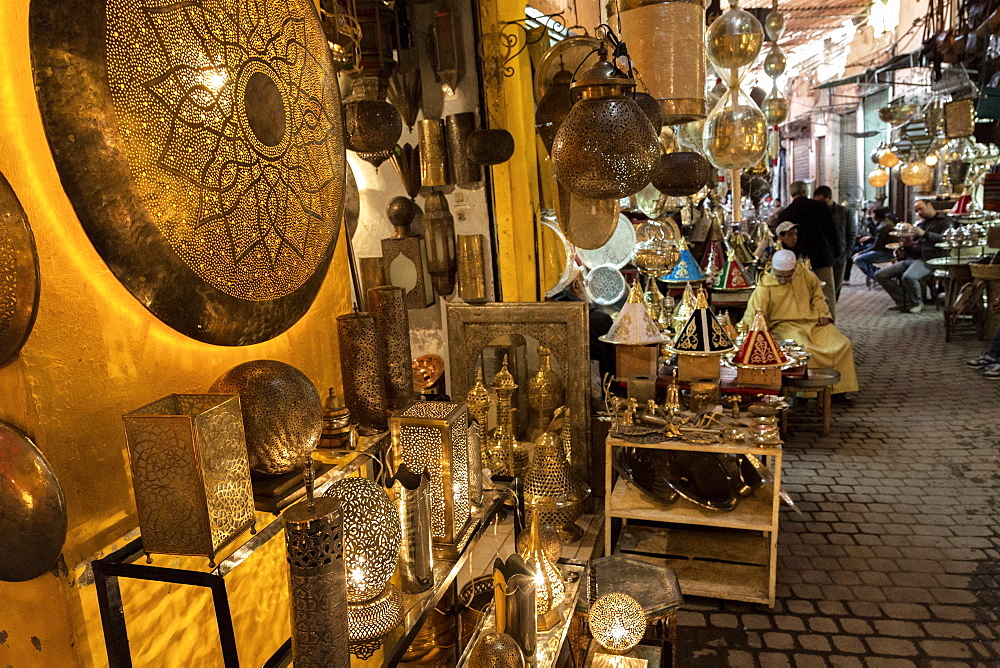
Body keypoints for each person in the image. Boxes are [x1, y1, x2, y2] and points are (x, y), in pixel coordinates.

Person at [740, 250, 859, 398]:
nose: (783, 280)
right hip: (785, 326)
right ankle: (809, 393)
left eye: (788, 276)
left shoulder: (804, 274)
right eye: (780, 277)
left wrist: (823, 314)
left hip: (814, 324)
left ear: (794, 269)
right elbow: (755, 313)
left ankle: (839, 390)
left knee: (843, 344)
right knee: (806, 350)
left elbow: (818, 295)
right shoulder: (765, 286)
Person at [776, 181, 841, 321]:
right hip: (822, 255)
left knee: (802, 292)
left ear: (791, 194)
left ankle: (808, 323)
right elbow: (833, 231)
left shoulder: (786, 212)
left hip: (797, 257)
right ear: (806, 191)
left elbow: (783, 239)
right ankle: (830, 323)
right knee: (827, 292)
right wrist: (836, 253)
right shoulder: (821, 206)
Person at [873, 199, 949, 313]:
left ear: (929, 205)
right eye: (916, 210)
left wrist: (925, 234)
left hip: (931, 259)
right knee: (880, 275)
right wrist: (907, 243)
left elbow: (946, 239)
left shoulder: (944, 221)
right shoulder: (922, 223)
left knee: (908, 277)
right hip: (914, 258)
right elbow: (915, 243)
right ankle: (903, 301)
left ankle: (917, 303)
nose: (919, 213)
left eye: (920, 209)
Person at [813, 186, 856, 299]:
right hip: (822, 256)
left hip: (840, 256)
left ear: (830, 197)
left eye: (822, 201)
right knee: (822, 289)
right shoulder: (816, 212)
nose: (820, 204)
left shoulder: (844, 212)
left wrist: (847, 254)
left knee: (835, 289)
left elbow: (851, 234)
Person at [853, 207, 895, 281]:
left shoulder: (883, 226)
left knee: (858, 259)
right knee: (860, 250)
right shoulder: (886, 223)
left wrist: (860, 253)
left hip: (884, 252)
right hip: (885, 249)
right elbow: (877, 236)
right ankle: (879, 273)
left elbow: (876, 246)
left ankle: (877, 275)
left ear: (875, 214)